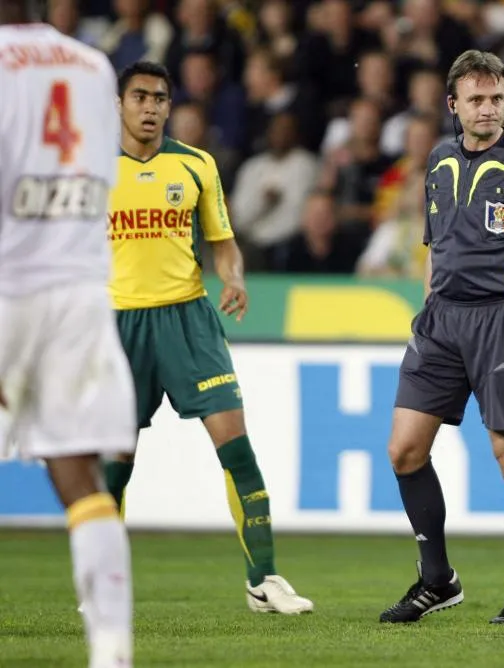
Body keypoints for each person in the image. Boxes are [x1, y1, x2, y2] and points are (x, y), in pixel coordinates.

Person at [378, 49, 504, 625]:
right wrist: (426, 309)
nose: (489, 108)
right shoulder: (440, 160)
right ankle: (437, 581)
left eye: (496, 98)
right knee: (404, 449)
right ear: (454, 105)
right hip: (442, 321)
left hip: (503, 319)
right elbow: (434, 245)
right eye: (477, 99)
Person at [105, 61, 312, 615]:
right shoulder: (91, 171)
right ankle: (102, 583)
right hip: (121, 324)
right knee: (116, 460)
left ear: (170, 107)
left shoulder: (196, 166)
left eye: (160, 98)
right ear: (119, 104)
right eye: (140, 97)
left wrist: (236, 277)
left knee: (237, 447)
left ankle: (263, 578)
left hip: (190, 322)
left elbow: (222, 241)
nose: (150, 107)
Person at [0, 7, 135, 667]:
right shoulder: (92, 65)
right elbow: (103, 178)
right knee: (81, 478)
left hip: (8, 280)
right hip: (79, 288)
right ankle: (111, 652)